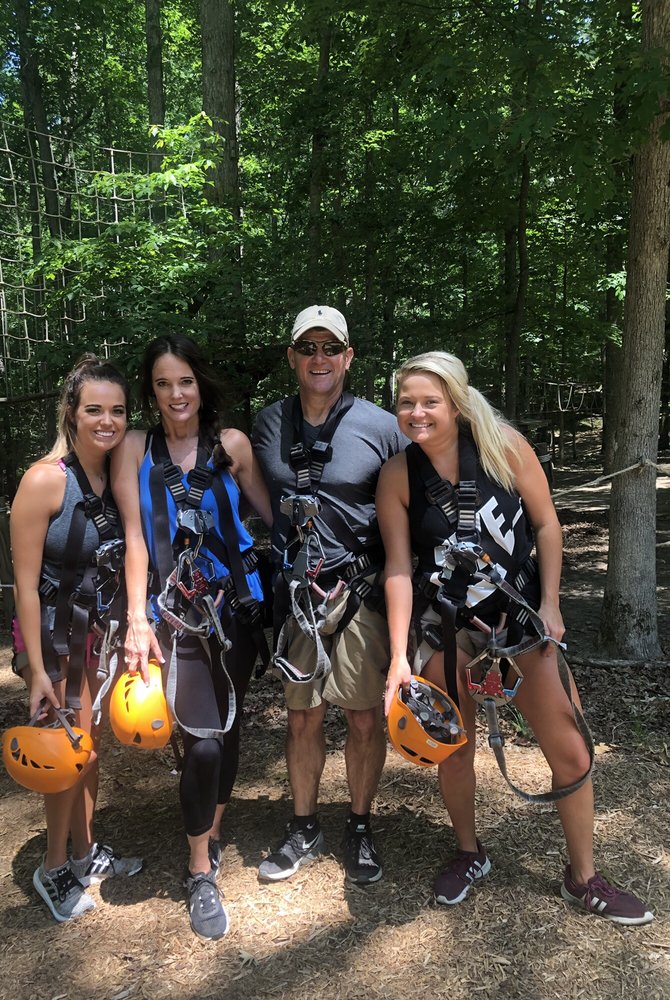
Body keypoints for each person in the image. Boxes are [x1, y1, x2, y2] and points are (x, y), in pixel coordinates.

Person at [376, 350, 654, 925]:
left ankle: (583, 877)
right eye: (406, 402)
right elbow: (398, 568)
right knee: (453, 745)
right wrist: (400, 657)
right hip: (449, 624)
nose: (417, 413)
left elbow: (547, 523)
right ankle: (469, 852)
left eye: (430, 401)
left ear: (456, 403)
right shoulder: (398, 476)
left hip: (520, 615)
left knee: (571, 749)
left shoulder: (502, 447)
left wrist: (551, 603)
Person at [111, 333, 272, 942]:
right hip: (172, 615)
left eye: (185, 381)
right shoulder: (135, 448)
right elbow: (134, 535)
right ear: (150, 392)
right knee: (202, 742)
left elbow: (271, 515)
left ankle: (213, 827)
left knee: (227, 728)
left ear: (200, 384)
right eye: (163, 384)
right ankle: (199, 869)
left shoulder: (231, 445)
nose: (176, 394)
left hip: (234, 613)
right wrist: (137, 617)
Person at [252, 305, 405, 886]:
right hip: (299, 593)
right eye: (308, 348)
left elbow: (411, 503)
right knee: (302, 717)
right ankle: (304, 824)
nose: (320, 358)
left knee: (363, 718)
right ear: (292, 356)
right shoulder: (269, 424)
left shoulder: (382, 427)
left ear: (348, 357)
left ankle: (359, 824)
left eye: (331, 348)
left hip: (359, 588)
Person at [10, 354, 143, 924]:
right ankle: (54, 866)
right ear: (72, 412)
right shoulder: (46, 480)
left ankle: (86, 853)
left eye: (117, 411)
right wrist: (38, 669)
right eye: (94, 410)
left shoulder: (112, 478)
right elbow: (22, 584)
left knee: (87, 746)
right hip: (51, 636)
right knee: (65, 752)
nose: (107, 421)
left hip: (94, 630)